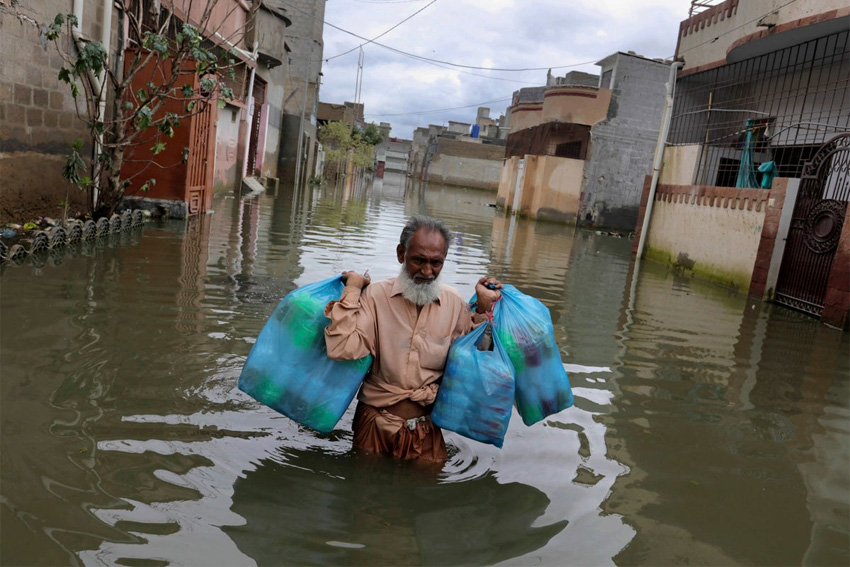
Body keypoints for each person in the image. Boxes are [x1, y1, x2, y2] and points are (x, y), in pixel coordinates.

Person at [324, 215, 502, 462]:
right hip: (374, 424)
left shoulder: (454, 304)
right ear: (401, 254)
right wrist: (353, 290)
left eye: (436, 263)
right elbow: (341, 348)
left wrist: (483, 309)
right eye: (419, 261)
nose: (428, 272)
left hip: (427, 429)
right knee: (365, 494)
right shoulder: (375, 297)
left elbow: (477, 364)